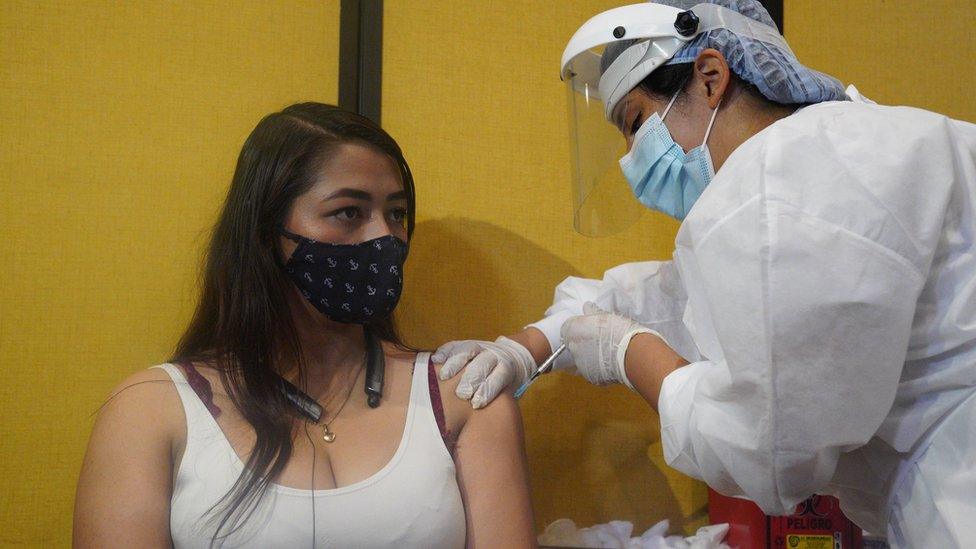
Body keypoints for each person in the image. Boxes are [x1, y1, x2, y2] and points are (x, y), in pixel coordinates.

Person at [434, 1, 976, 546]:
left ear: (711, 77)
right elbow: (667, 296)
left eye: (635, 124)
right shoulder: (851, 148)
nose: (629, 161)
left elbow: (764, 454)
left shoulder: (778, 182)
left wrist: (631, 355)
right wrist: (527, 348)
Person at [73, 103, 536, 548]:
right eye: (349, 212)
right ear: (265, 231)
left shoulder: (465, 394)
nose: (384, 237)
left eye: (396, 213)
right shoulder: (151, 410)